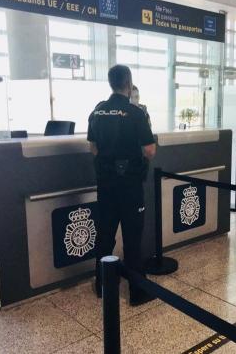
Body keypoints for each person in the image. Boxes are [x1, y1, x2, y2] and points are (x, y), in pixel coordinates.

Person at [87, 64, 156, 306]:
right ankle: (137, 292)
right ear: (128, 83)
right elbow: (149, 149)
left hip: (105, 184)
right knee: (132, 238)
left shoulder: (97, 112)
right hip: (130, 185)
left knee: (105, 235)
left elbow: (93, 147)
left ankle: (103, 285)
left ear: (110, 83)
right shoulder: (136, 113)